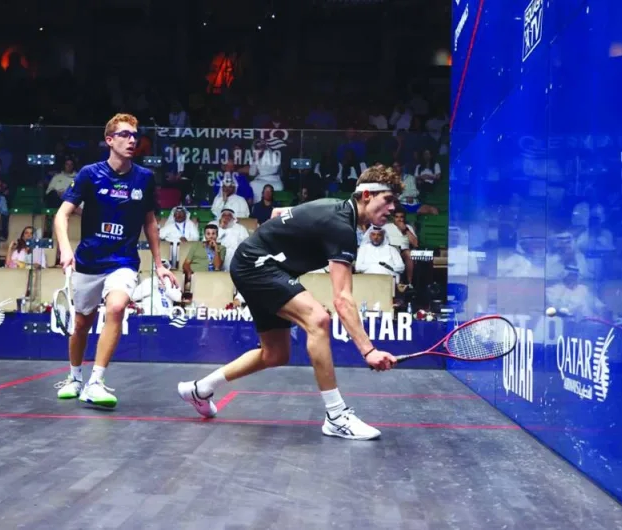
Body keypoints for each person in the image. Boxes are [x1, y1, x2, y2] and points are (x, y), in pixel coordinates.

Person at [178, 164, 402, 440]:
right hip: (257, 266)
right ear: (367, 195)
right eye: (387, 200)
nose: (393, 208)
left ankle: (199, 389)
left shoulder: (333, 208)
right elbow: (343, 299)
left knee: (275, 354)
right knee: (318, 319)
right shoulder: (341, 226)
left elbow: (278, 213)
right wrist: (369, 351)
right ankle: (336, 416)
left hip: (255, 264)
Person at [53, 113, 178, 408]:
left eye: (135, 135)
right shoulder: (89, 174)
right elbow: (61, 215)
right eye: (124, 135)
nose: (132, 140)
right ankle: (75, 377)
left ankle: (96, 382)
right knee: (81, 323)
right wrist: (65, 249)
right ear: (109, 140)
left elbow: (150, 222)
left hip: (123, 260)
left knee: (117, 307)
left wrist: (159, 264)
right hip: (88, 261)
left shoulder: (144, 178)